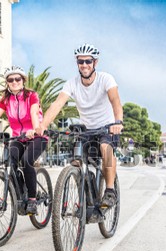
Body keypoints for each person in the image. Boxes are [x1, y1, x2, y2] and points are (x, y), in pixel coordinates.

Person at [36, 43, 124, 208]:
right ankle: (85, 193)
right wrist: (43, 125)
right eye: (80, 61)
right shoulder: (72, 83)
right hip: (87, 130)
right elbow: (57, 104)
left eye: (88, 61)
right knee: (76, 159)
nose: (84, 65)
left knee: (106, 147)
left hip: (107, 127)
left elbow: (115, 101)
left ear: (94, 63)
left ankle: (110, 190)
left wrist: (118, 122)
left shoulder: (106, 79)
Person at [0, 66, 48, 215]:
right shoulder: (6, 99)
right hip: (18, 137)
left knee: (26, 161)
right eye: (10, 80)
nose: (14, 82)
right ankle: (21, 194)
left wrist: (35, 128)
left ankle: (32, 199)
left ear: (23, 80)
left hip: (37, 136)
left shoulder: (32, 95)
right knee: (10, 162)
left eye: (17, 79)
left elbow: (33, 112)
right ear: (7, 82)